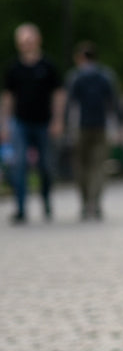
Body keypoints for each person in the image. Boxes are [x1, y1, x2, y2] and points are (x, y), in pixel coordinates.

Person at [1, 24, 64, 224]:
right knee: (19, 164)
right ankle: (20, 208)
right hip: (20, 123)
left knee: (46, 165)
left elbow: (58, 94)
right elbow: (8, 97)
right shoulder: (14, 68)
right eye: (22, 41)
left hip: (44, 122)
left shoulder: (48, 65)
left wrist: (57, 120)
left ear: (38, 40)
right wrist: (5, 124)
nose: (26, 44)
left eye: (29, 40)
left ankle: (46, 200)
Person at [66, 42, 118, 220]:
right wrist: (118, 125)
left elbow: (70, 104)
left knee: (81, 165)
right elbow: (113, 103)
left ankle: (84, 201)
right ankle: (95, 202)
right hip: (101, 127)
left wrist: (66, 126)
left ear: (80, 57)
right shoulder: (106, 76)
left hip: (80, 127)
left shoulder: (75, 77)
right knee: (98, 166)